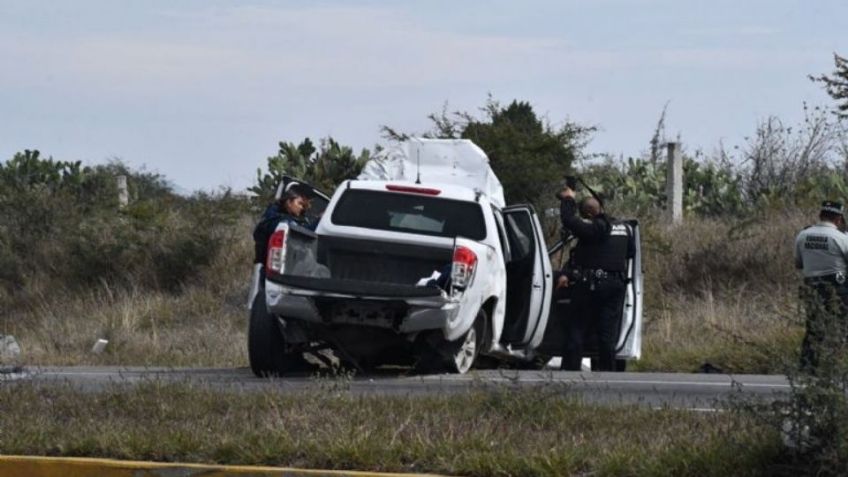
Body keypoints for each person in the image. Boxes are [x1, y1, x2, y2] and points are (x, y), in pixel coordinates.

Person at [556, 186, 633, 372]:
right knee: (607, 334)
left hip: (589, 286)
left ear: (588, 214)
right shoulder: (625, 229)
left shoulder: (594, 229)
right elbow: (629, 254)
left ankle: (570, 373)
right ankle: (608, 375)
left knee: (577, 330)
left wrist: (568, 199)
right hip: (615, 285)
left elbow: (569, 220)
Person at [794, 200, 848, 372]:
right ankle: (835, 368)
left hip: (811, 287)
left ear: (820, 215)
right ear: (839, 218)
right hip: (837, 290)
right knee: (839, 328)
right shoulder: (841, 238)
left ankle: (808, 368)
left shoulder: (803, 235)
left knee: (814, 328)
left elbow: (798, 264)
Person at [253, 181, 318, 266]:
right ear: (289, 202)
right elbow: (301, 233)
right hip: (271, 271)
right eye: (300, 203)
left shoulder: (277, 215)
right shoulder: (279, 220)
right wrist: (319, 220)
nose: (301, 208)